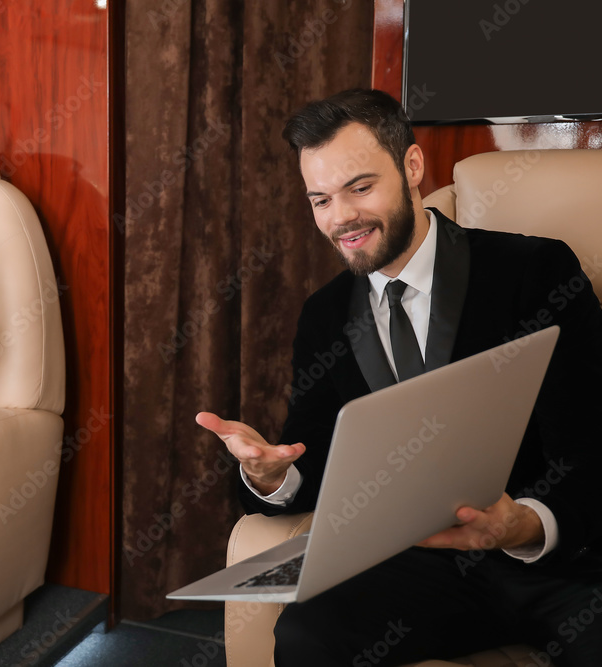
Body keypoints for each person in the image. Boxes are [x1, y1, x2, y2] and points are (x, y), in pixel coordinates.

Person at [197, 89, 602, 665]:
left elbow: (590, 446)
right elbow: (314, 459)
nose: (341, 219)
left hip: (558, 561)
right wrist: (270, 475)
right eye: (320, 200)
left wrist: (525, 525)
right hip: (423, 566)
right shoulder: (325, 313)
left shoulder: (536, 272)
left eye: (360, 188)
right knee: (305, 638)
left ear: (412, 167)